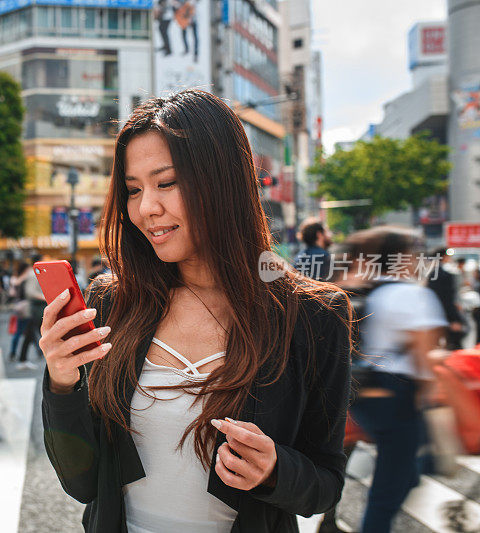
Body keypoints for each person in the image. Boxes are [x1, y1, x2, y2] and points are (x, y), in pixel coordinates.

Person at [40, 90, 352, 532]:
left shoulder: (312, 315)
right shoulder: (113, 301)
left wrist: (275, 470)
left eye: (166, 183)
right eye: (133, 190)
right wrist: (61, 382)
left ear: (222, 179)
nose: (147, 208)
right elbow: (83, 483)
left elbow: (325, 484)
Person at [346, 228, 446, 533]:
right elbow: (423, 353)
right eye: (415, 252)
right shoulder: (414, 295)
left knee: (403, 470)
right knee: (390, 486)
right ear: (403, 258)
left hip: (365, 393)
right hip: (398, 394)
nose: (419, 259)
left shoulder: (370, 291)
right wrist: (431, 394)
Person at [427, 248, 465, 350]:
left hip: (428, 316)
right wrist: (454, 318)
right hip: (443, 316)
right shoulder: (444, 274)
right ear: (443, 257)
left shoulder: (425, 273)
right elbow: (446, 298)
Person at [17, 254, 47, 370]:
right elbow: (30, 292)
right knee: (31, 334)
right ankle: (22, 360)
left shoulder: (34, 273)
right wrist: (45, 297)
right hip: (34, 309)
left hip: (35, 309)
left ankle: (23, 359)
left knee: (30, 334)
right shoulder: (33, 274)